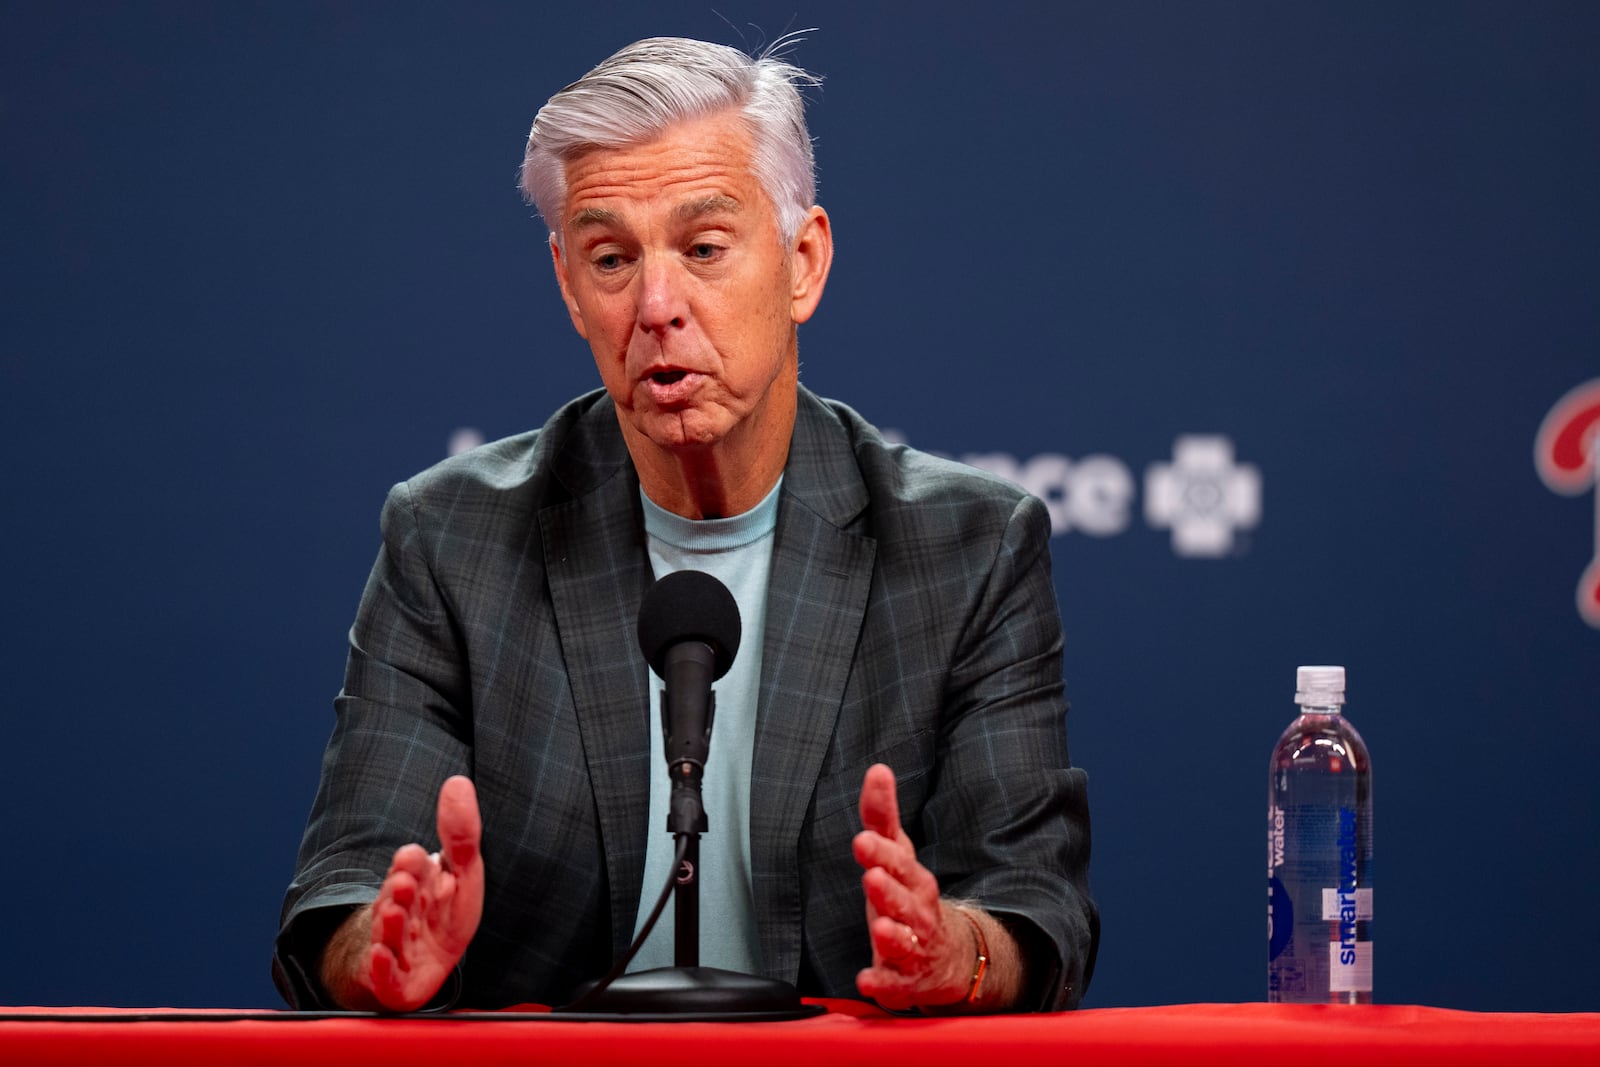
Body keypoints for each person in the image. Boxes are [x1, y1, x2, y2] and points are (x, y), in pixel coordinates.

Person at [274, 36, 1097, 1015]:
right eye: (611, 257)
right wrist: (383, 948)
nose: (657, 306)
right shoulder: (451, 538)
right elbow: (342, 893)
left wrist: (955, 949)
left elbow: (1033, 907)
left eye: (704, 248)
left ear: (802, 263)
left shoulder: (967, 547)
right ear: (568, 285)